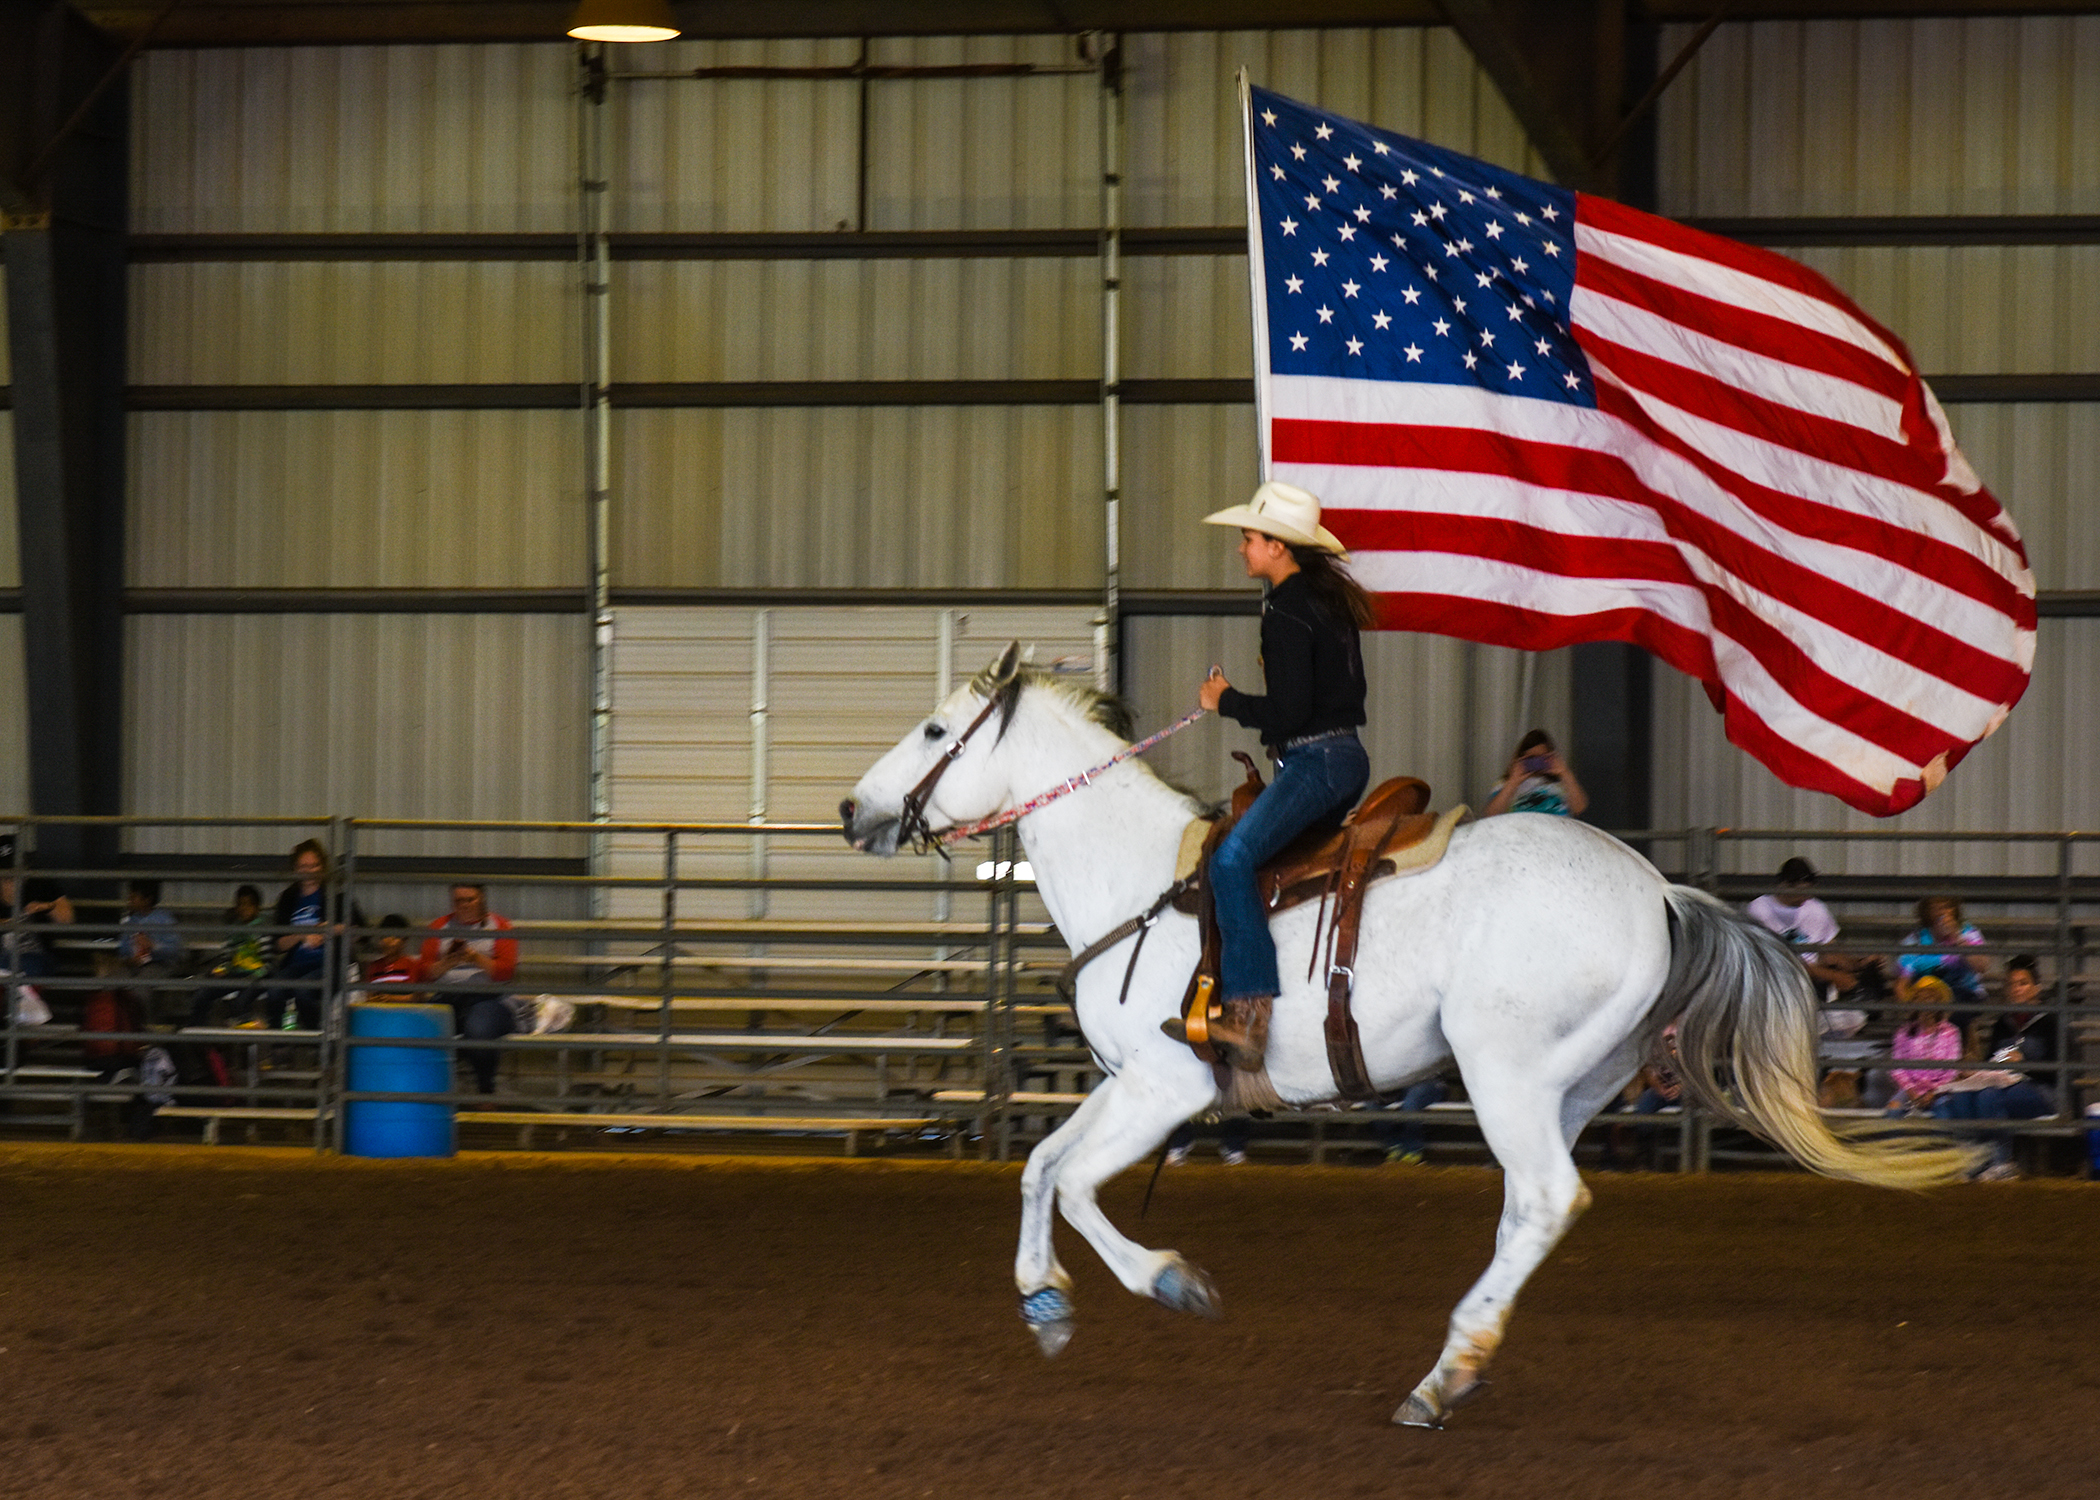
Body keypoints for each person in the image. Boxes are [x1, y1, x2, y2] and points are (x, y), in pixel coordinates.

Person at [1160, 481, 1373, 1071]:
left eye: (1249, 539)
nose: (1241, 549)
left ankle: (1250, 1012)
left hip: (1315, 760)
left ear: (1279, 548)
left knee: (1231, 861)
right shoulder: (1326, 603)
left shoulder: (1285, 610)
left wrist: (1223, 700)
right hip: (1343, 757)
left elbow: (1289, 713)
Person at [1745, 858, 1869, 1098]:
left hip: (1814, 987)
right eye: (1799, 891)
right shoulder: (1758, 910)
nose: (1804, 897)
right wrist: (1830, 974)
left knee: (1853, 1021)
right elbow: (1778, 961)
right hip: (1776, 989)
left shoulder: (1816, 909)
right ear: (1784, 885)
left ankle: (1825, 1083)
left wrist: (1858, 963)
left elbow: (1828, 951)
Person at [1931, 955, 2057, 1181]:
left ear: (2036, 988)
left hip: (2042, 1090)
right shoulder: (2003, 1023)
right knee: (1963, 1096)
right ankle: (1971, 1160)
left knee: (1989, 1097)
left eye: (2023, 983)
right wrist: (1978, 1070)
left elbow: (2058, 1070)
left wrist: (2025, 1065)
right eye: (2011, 984)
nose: (2016, 989)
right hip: (2003, 1084)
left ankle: (1999, 1161)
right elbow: (1991, 1060)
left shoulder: (2051, 1022)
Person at [421, 883, 519, 1095]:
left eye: (470, 900)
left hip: (488, 997)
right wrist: (447, 962)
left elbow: (506, 972)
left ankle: (485, 1088)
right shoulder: (438, 927)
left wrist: (475, 958)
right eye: (458, 901)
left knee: (479, 1031)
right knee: (420, 1028)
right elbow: (425, 973)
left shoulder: (501, 926)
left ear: (481, 899)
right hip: (448, 995)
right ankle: (428, 1088)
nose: (464, 905)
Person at [265, 840, 367, 1033]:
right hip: (297, 964)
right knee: (275, 990)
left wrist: (330, 929)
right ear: (295, 869)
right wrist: (302, 935)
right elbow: (278, 944)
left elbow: (361, 932)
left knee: (303, 991)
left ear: (322, 867)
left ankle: (319, 1040)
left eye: (314, 866)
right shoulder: (288, 897)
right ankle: (279, 1043)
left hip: (330, 962)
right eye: (304, 866)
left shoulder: (336, 895)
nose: (309, 871)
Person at [188, 884, 270, 1027]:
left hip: (258, 975)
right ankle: (197, 1030)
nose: (243, 909)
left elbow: (268, 962)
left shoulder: (263, 928)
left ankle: (247, 1027)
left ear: (257, 907)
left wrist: (256, 976)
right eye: (240, 905)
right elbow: (227, 957)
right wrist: (223, 969)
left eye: (248, 905)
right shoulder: (234, 930)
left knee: (240, 1001)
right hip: (236, 974)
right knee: (202, 993)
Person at [1885, 975, 1963, 1116]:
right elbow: (1897, 1068)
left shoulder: (1951, 1032)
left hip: (1940, 1091)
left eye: (1931, 997)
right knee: (1892, 1111)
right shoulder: (1903, 1032)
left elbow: (1952, 1070)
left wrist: (1934, 1091)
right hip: (1910, 1089)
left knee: (1943, 1113)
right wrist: (1911, 1090)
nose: (1926, 1002)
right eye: (1921, 997)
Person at [1897, 896, 1988, 1007]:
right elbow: (1902, 985)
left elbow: (1982, 966)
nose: (1942, 913)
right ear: (1927, 912)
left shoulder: (1969, 933)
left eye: (1946, 907)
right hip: (1928, 997)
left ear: (1955, 910)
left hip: (1966, 993)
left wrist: (1956, 936)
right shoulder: (1915, 940)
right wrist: (1912, 1012)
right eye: (1936, 908)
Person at [1482, 730, 1588, 818]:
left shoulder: (1561, 783)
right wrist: (1513, 782)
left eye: (1542, 758)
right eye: (1531, 758)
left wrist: (1565, 773)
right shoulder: (1505, 785)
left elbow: (1579, 808)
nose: (1537, 763)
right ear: (1520, 758)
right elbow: (1491, 814)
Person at [1, 866, 74, 980]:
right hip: (7, 957)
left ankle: (24, 994)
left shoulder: (39, 884)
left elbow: (67, 919)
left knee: (26, 965)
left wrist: (48, 906)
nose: (10, 882)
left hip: (35, 956)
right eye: (5, 877)